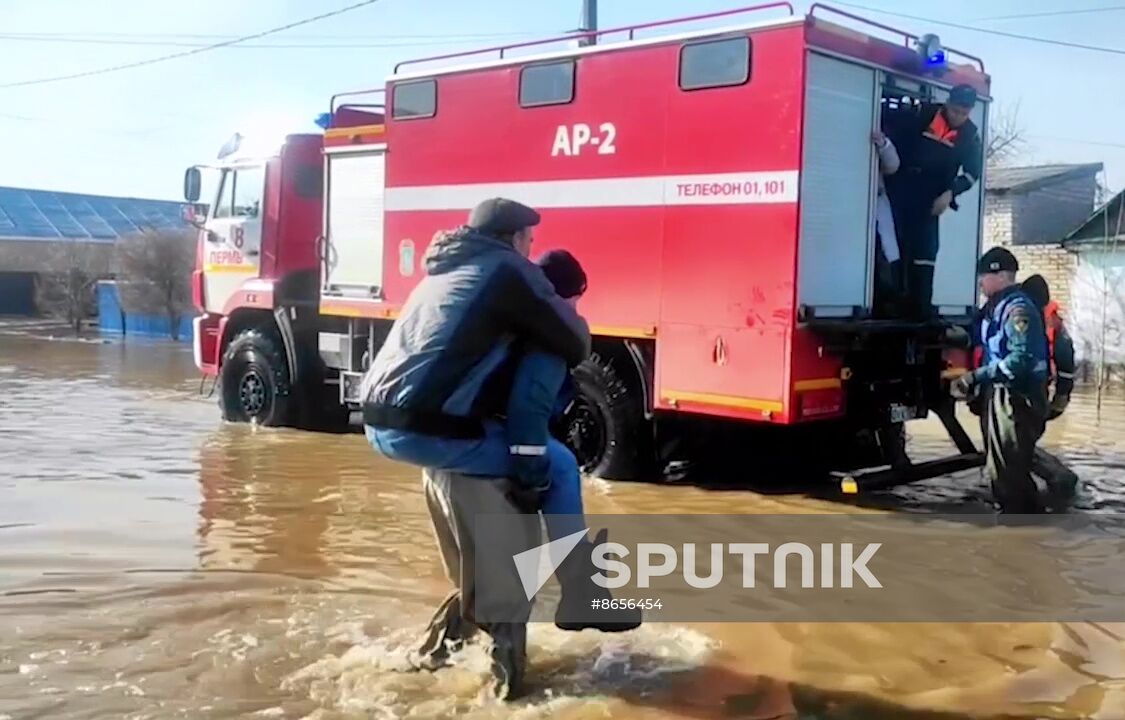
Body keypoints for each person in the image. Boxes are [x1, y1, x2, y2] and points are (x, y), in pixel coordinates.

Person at [360, 197, 641, 632]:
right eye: (528, 239)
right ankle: (583, 595)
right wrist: (533, 475)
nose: (529, 250)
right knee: (564, 466)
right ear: (514, 238)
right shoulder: (506, 272)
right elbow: (558, 359)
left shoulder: (448, 269)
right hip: (429, 429)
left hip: (381, 422)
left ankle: (464, 627)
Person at [952, 247, 1050, 513]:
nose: (980, 282)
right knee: (1001, 470)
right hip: (1000, 395)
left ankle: (1025, 529)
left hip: (1018, 398)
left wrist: (975, 377)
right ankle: (1019, 521)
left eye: (983, 276)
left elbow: (1020, 360)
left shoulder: (1019, 311)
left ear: (1002, 276)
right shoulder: (994, 307)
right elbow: (976, 334)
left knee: (1010, 473)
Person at [884, 84, 984, 319]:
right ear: (948, 103)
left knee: (926, 252)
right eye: (956, 110)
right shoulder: (923, 114)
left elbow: (972, 172)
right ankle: (892, 300)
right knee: (895, 246)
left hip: (933, 200)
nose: (959, 117)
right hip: (901, 189)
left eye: (964, 113)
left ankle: (921, 309)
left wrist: (951, 193)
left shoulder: (970, 134)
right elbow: (895, 136)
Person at [872, 128, 902, 315]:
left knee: (884, 263)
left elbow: (893, 165)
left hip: (876, 211)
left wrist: (883, 145)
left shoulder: (876, 141)